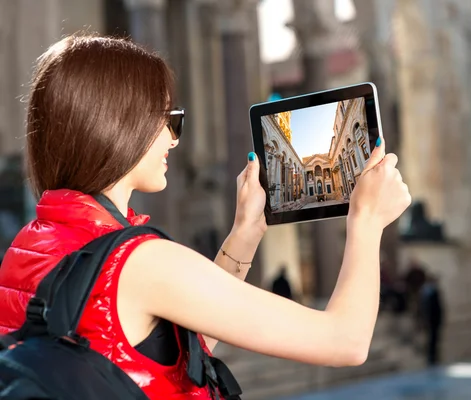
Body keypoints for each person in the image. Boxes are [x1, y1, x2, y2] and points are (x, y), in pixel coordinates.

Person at [0, 34, 411, 399]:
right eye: (167, 119)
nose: (173, 139)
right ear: (119, 125)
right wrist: (367, 221)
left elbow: (168, 343)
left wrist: (245, 233)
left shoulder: (29, 243)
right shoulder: (142, 263)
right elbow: (345, 341)